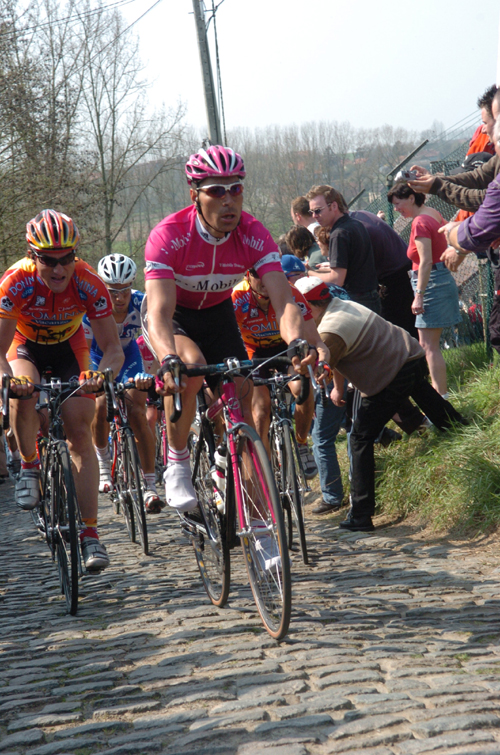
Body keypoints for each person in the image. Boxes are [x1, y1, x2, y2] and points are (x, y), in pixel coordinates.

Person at [143, 146, 317, 516]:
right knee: (189, 366)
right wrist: (167, 358)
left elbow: (284, 301)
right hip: (175, 317)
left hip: (218, 315)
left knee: (245, 401)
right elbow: (158, 312)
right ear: (195, 195)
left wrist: (296, 341)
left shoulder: (254, 233)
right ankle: (177, 462)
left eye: (235, 189)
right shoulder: (169, 234)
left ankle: (259, 526)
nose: (229, 200)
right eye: (216, 191)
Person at [0, 209, 124, 569]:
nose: (59, 269)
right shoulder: (15, 282)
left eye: (66, 258)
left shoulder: (87, 281)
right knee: (22, 395)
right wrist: (9, 380)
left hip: (71, 348)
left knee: (79, 429)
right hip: (24, 345)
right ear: (31, 255)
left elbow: (113, 350)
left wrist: (101, 375)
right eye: (48, 260)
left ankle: (90, 536)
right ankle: (30, 466)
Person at [295, 276, 467, 532]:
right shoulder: (342, 305)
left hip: (390, 374)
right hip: (411, 355)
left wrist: (324, 379)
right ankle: (458, 428)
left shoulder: (329, 330)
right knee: (422, 392)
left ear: (309, 307)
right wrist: (340, 387)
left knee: (359, 438)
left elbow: (328, 356)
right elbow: (337, 358)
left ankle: (362, 514)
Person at [232, 262, 328, 478]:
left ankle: (302, 442)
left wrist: (321, 360)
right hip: (253, 352)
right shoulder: (238, 297)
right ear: (248, 276)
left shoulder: (290, 292)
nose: (264, 280)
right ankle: (266, 471)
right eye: (258, 275)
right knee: (261, 411)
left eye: (270, 274)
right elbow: (228, 336)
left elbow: (315, 339)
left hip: (286, 348)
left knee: (303, 390)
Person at [83, 254, 163, 514]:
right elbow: (82, 349)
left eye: (124, 291)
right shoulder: (90, 307)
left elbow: (154, 338)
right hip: (97, 356)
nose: (119, 298)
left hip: (129, 356)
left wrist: (151, 372)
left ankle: (150, 486)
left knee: (138, 411)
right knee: (102, 401)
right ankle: (104, 463)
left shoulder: (140, 303)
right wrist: (88, 375)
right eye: (112, 292)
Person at [387, 182, 460, 397]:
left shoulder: (419, 222)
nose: (397, 209)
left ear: (411, 197)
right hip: (441, 278)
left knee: (428, 346)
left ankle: (441, 396)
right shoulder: (433, 213)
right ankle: (440, 393)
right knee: (429, 344)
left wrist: (418, 295)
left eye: (398, 203)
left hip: (430, 283)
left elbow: (426, 261)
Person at [305, 185, 380, 313]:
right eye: (311, 212)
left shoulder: (339, 234)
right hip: (371, 297)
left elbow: (336, 280)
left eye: (318, 210)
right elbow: (354, 267)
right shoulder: (355, 224)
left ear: (334, 206)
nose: (314, 216)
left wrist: (308, 273)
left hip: (358, 302)